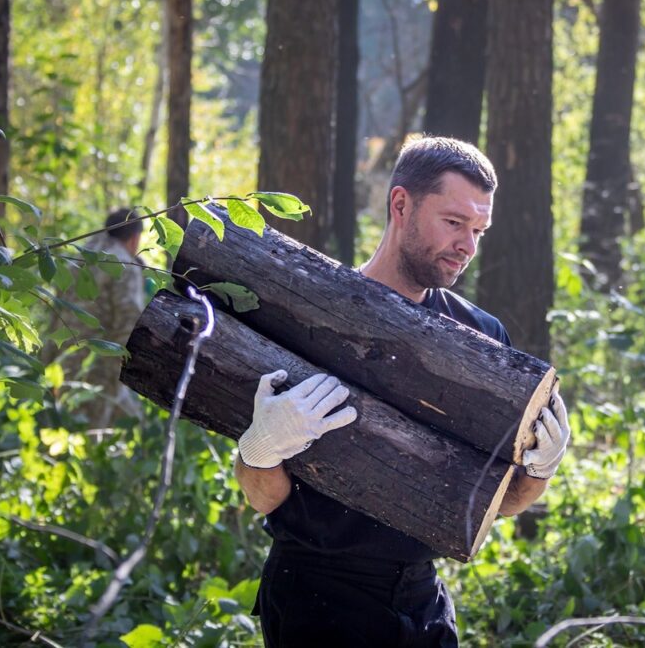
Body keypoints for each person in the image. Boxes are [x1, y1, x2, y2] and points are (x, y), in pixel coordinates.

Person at [235, 137, 571, 647]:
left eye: (479, 230)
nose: (468, 246)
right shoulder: (310, 309)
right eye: (454, 223)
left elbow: (499, 503)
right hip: (315, 597)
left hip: (422, 603)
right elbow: (265, 499)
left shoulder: (482, 341)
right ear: (400, 204)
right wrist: (260, 448)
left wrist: (540, 468)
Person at [72, 208, 146, 431]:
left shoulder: (79, 256)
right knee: (94, 431)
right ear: (134, 238)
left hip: (61, 354)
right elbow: (128, 323)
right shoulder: (123, 264)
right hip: (99, 363)